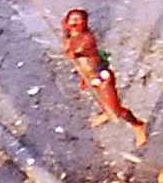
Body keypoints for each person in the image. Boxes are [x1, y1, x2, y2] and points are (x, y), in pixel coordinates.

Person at [61, 9, 149, 148]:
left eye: (78, 19)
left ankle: (138, 125)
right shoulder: (69, 35)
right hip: (88, 76)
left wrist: (71, 52)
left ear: (84, 22)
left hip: (101, 77)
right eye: (72, 19)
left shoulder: (87, 38)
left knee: (116, 109)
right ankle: (106, 112)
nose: (75, 22)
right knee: (100, 99)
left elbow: (77, 51)